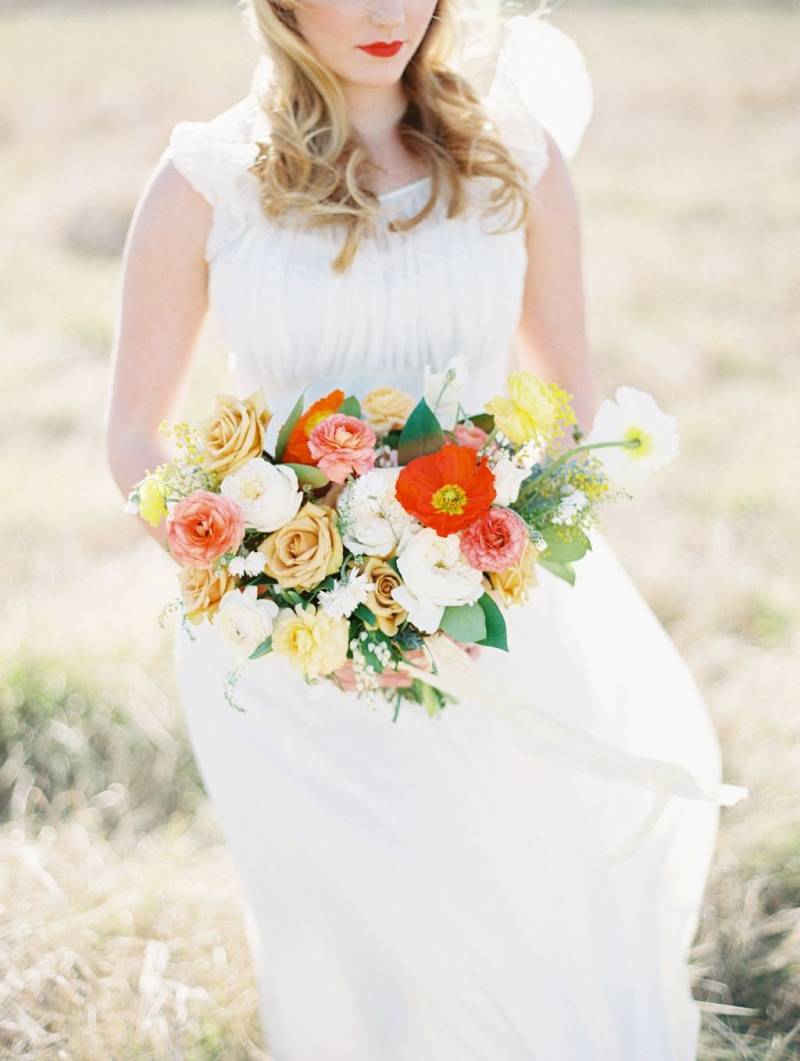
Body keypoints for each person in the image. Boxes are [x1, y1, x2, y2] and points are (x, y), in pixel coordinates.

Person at [105, 0, 745, 1056]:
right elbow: (134, 436)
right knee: (360, 970)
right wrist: (279, 584)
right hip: (287, 662)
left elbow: (573, 403)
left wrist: (483, 572)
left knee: (515, 944)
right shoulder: (202, 185)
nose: (386, 12)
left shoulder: (514, 163)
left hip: (497, 631)